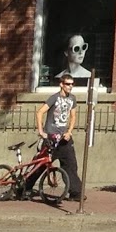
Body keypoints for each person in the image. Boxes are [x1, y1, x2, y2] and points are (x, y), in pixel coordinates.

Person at [36, 73, 85, 203]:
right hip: (51, 137)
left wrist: (69, 132)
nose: (70, 86)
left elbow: (73, 117)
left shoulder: (72, 99)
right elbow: (40, 112)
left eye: (72, 84)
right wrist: (41, 131)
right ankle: (24, 187)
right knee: (41, 164)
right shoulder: (54, 98)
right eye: (68, 84)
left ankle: (76, 192)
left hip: (64, 138)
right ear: (61, 85)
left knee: (71, 165)